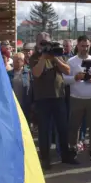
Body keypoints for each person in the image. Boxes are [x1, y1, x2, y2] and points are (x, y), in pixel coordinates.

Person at [30, 32, 76, 169]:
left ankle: (66, 156)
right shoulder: (34, 57)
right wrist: (43, 57)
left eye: (46, 43)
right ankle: (45, 159)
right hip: (42, 99)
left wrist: (55, 59)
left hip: (58, 96)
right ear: (37, 43)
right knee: (44, 130)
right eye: (41, 43)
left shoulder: (57, 54)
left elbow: (68, 71)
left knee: (62, 128)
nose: (44, 45)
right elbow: (36, 73)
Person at [63, 35, 91, 162]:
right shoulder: (71, 61)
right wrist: (75, 78)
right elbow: (64, 80)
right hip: (76, 98)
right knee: (74, 126)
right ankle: (73, 148)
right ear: (77, 45)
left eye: (87, 46)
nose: (85, 48)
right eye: (82, 45)